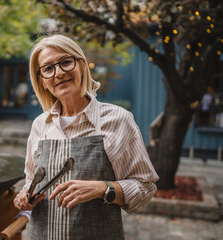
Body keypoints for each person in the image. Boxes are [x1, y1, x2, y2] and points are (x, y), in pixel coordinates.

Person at [14, 35, 159, 240]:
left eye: (65, 62)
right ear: (42, 81)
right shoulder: (40, 124)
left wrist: (103, 188)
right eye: (48, 68)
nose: (59, 73)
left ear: (81, 65)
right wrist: (25, 195)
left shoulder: (118, 119)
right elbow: (31, 179)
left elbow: (145, 188)